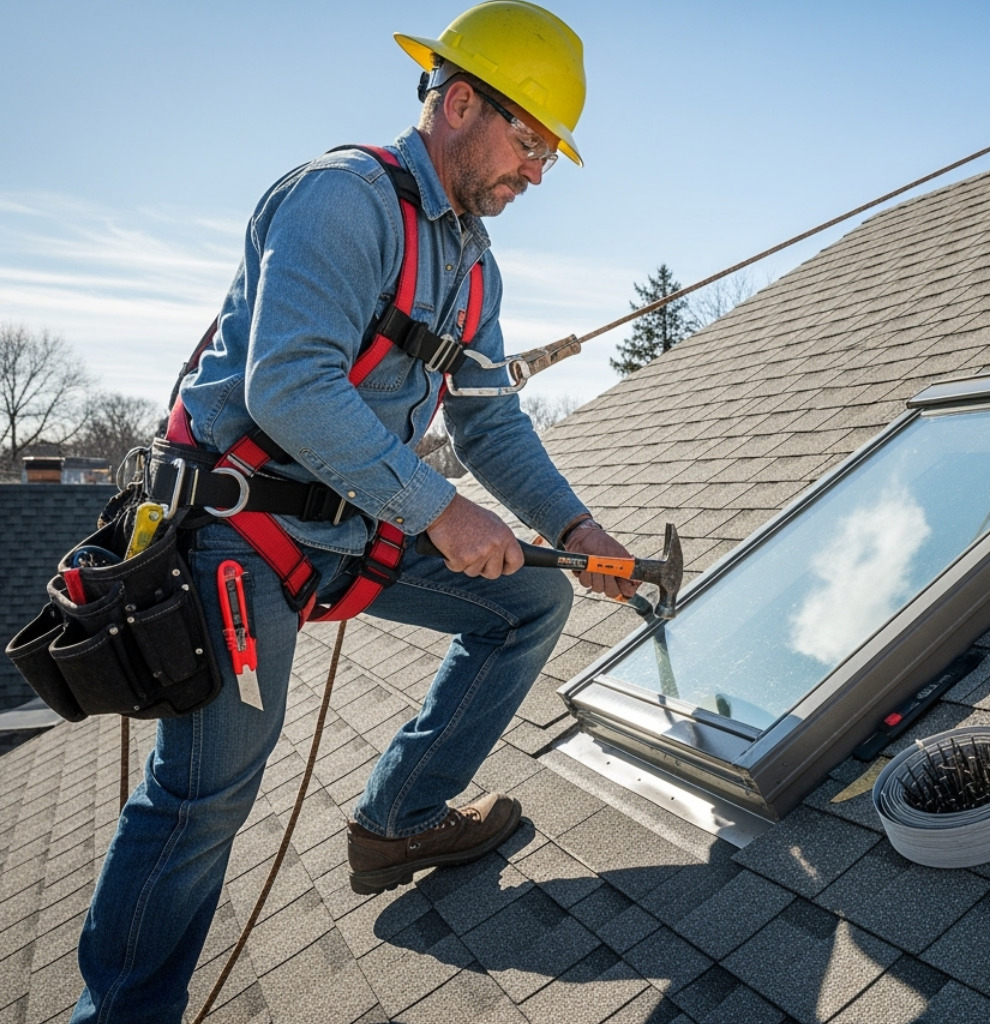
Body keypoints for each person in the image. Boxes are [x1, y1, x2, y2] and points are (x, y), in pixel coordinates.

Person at [70, 4, 631, 1021]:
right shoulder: (339, 202)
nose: (539, 173)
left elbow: (493, 424)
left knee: (527, 604)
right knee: (206, 795)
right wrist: (436, 510)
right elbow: (288, 384)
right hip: (235, 538)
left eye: (548, 152)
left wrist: (578, 528)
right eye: (532, 142)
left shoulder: (474, 266)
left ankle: (401, 819)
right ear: (460, 103)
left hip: (350, 527)